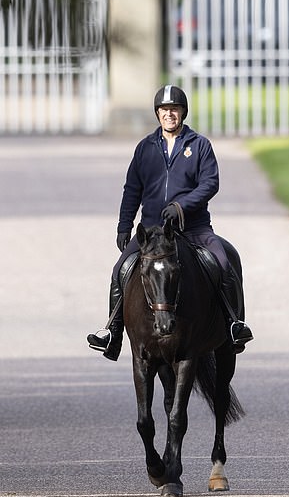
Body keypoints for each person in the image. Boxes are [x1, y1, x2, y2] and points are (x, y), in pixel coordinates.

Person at [87, 84, 253, 360]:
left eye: (174, 109)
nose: (169, 114)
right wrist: (124, 225)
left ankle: (233, 325)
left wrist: (181, 206)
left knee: (224, 264)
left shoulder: (199, 145)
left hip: (194, 228)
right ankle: (112, 333)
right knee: (120, 271)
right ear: (158, 113)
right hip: (153, 233)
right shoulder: (145, 148)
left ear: (183, 113)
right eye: (164, 110)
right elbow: (132, 190)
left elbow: (210, 183)